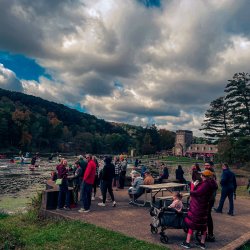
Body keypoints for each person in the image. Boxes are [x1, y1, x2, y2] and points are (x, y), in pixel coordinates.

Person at [181, 169, 218, 249]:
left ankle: (187, 243)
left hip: (198, 206)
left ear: (204, 176)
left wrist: (192, 186)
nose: (200, 176)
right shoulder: (211, 183)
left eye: (202, 175)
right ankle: (202, 243)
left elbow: (196, 193)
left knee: (192, 223)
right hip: (204, 206)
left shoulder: (206, 185)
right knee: (203, 225)